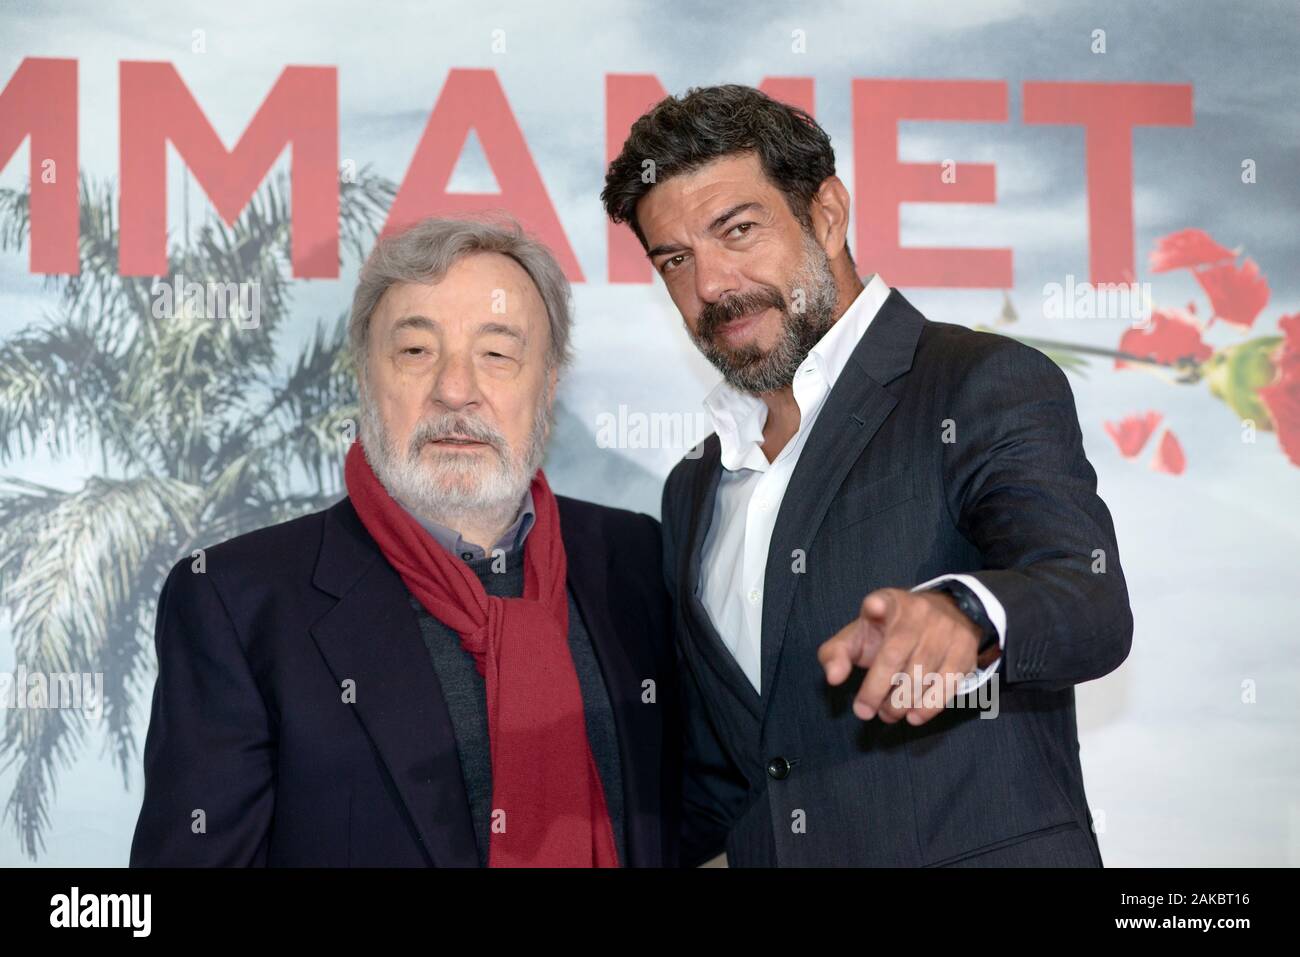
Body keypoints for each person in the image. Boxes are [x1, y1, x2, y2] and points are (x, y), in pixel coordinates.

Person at [602, 84, 1133, 867]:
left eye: (738, 230)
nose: (709, 285)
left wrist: (966, 613)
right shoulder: (692, 489)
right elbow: (728, 780)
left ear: (827, 214)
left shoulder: (975, 382)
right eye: (675, 260)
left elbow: (1088, 597)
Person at [130, 217, 680, 867]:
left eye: (497, 353)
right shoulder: (238, 600)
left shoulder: (636, 559)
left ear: (548, 384)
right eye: (416, 351)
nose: (455, 389)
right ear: (366, 377)